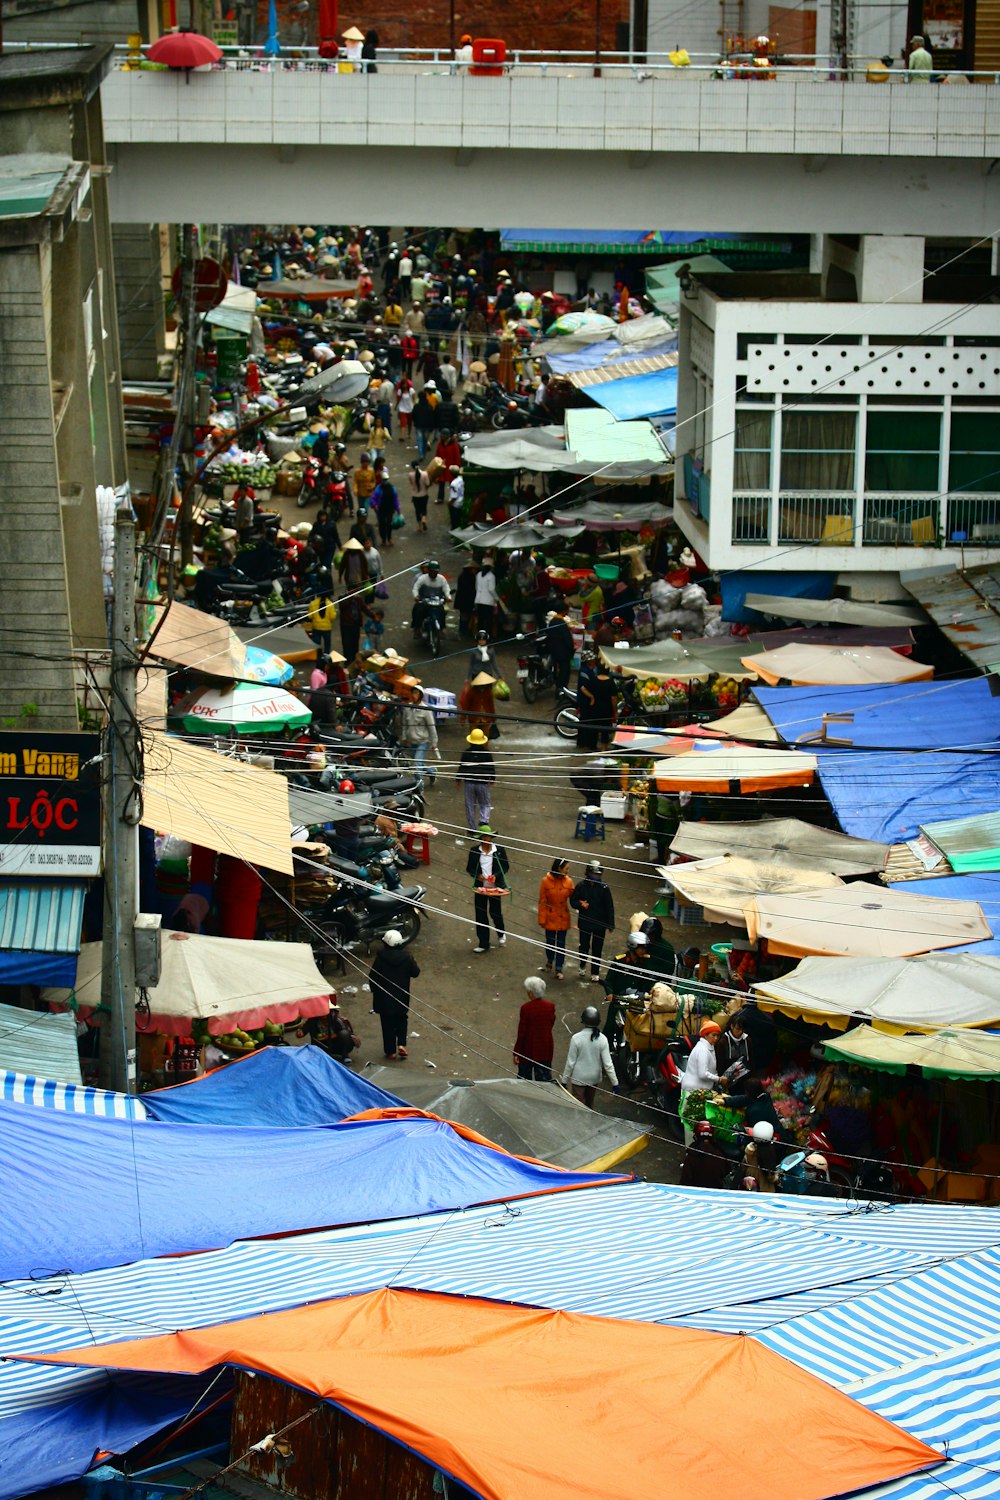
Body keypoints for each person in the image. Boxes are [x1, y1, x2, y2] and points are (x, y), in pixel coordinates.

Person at [369, 929, 419, 1059]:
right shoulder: (407, 957)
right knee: (402, 1019)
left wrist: (375, 991)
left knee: (387, 1024)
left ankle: (390, 1051)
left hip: (384, 998)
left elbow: (373, 977)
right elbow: (416, 972)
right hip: (401, 997)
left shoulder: (380, 958)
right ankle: (401, 1044)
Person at [562, 1006, 617, 1108]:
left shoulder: (576, 1039)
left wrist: (564, 1082)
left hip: (579, 1078)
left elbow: (570, 1063)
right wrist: (615, 1083)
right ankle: (589, 1122)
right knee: (589, 1105)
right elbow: (608, 1064)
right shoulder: (602, 1039)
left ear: (583, 1021)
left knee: (578, 1106)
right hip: (594, 1078)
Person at [570, 860, 615, 983]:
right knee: (584, 946)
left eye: (598, 874)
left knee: (597, 948)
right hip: (585, 922)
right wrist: (580, 904)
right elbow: (573, 901)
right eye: (594, 874)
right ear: (588, 873)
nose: (596, 877)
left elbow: (609, 906)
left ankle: (595, 972)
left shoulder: (604, 888)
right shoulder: (581, 886)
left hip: (600, 925)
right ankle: (582, 964)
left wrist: (610, 923)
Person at [467, 822, 510, 953]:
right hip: (481, 888)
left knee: (495, 913)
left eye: (488, 837)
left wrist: (496, 876)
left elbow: (505, 866)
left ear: (491, 837)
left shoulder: (499, 851)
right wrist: (477, 875)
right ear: (480, 838)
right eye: (484, 837)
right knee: (480, 914)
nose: (486, 839)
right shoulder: (474, 851)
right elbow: (469, 868)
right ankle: (483, 942)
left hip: (495, 888)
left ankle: (501, 933)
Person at [679, 1020, 722, 1145]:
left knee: (699, 1126)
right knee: (691, 1126)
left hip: (701, 1092)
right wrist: (718, 1079)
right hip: (693, 1093)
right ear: (705, 1035)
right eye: (713, 1035)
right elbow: (703, 1074)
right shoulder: (702, 1050)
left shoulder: (709, 1048)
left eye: (717, 1035)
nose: (715, 1038)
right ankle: (691, 1153)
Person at [538, 857, 574, 980]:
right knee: (550, 943)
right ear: (559, 868)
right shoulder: (545, 882)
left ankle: (558, 968)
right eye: (566, 868)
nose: (568, 871)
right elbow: (542, 901)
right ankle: (549, 960)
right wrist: (542, 919)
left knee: (561, 944)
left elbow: (573, 898)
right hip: (550, 917)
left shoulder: (569, 882)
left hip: (563, 917)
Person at [513, 976, 556, 1081]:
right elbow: (551, 1023)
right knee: (543, 1081)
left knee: (525, 1080)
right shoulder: (550, 1006)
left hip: (528, 1049)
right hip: (544, 1048)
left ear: (531, 993)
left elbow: (522, 1032)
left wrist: (517, 1052)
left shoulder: (526, 1008)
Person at [457, 727, 495, 832]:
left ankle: (472, 829)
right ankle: (484, 821)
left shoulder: (466, 753)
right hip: (483, 783)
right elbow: (491, 767)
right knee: (485, 803)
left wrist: (458, 780)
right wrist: (492, 778)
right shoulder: (487, 753)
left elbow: (462, 767)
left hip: (469, 783)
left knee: (470, 805)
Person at [576, 654, 615, 750]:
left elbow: (583, 688)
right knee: (604, 731)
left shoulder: (594, 679)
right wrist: (615, 712)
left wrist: (593, 697)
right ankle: (603, 749)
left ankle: (591, 747)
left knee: (593, 729)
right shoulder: (610, 683)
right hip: (606, 710)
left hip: (595, 709)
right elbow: (613, 699)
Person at [397, 685, 438, 778]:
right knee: (418, 762)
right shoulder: (407, 708)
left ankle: (419, 785)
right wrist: (404, 737)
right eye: (413, 692)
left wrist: (434, 742)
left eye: (416, 693)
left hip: (423, 741)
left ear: (420, 695)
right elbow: (404, 724)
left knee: (416, 764)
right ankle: (431, 772)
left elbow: (431, 727)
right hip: (412, 741)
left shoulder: (426, 710)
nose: (414, 695)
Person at [679, 1120, 732, 1190]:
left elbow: (685, 1181)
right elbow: (727, 1171)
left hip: (695, 1193)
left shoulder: (692, 1155)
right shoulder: (720, 1154)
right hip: (715, 1193)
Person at [540, 609, 575, 692]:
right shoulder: (561, 623)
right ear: (563, 611)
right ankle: (561, 689)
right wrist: (571, 648)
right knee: (564, 671)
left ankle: (558, 686)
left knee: (557, 669)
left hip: (554, 650)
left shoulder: (553, 621)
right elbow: (567, 639)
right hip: (562, 652)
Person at [716, 1009, 752, 1081]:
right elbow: (719, 1063)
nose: (740, 1032)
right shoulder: (723, 1042)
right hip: (727, 1079)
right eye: (738, 1029)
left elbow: (751, 1059)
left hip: (744, 1078)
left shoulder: (747, 1040)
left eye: (742, 1029)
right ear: (731, 1026)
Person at [305, 573, 337, 653]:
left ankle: (318, 658)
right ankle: (326, 658)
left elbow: (310, 616)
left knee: (317, 645)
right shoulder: (330, 604)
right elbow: (332, 617)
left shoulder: (313, 603)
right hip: (327, 628)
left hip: (316, 628)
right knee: (327, 645)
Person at [473, 560, 503, 641]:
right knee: (488, 620)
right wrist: (497, 599)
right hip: (488, 601)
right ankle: (488, 637)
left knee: (480, 620)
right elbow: (491, 589)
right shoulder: (491, 576)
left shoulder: (478, 575)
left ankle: (480, 637)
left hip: (479, 600)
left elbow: (476, 587)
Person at [371, 475, 399, 547]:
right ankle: (383, 539)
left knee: (389, 524)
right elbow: (373, 497)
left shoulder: (392, 488)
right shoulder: (378, 488)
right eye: (384, 480)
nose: (385, 481)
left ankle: (389, 538)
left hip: (390, 509)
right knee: (382, 524)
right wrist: (375, 505)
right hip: (381, 509)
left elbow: (395, 499)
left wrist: (397, 508)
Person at [455, 556, 478, 637]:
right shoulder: (467, 577)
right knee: (465, 615)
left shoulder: (463, 576)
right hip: (465, 600)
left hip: (463, 599)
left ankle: (463, 630)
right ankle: (463, 630)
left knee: (464, 615)